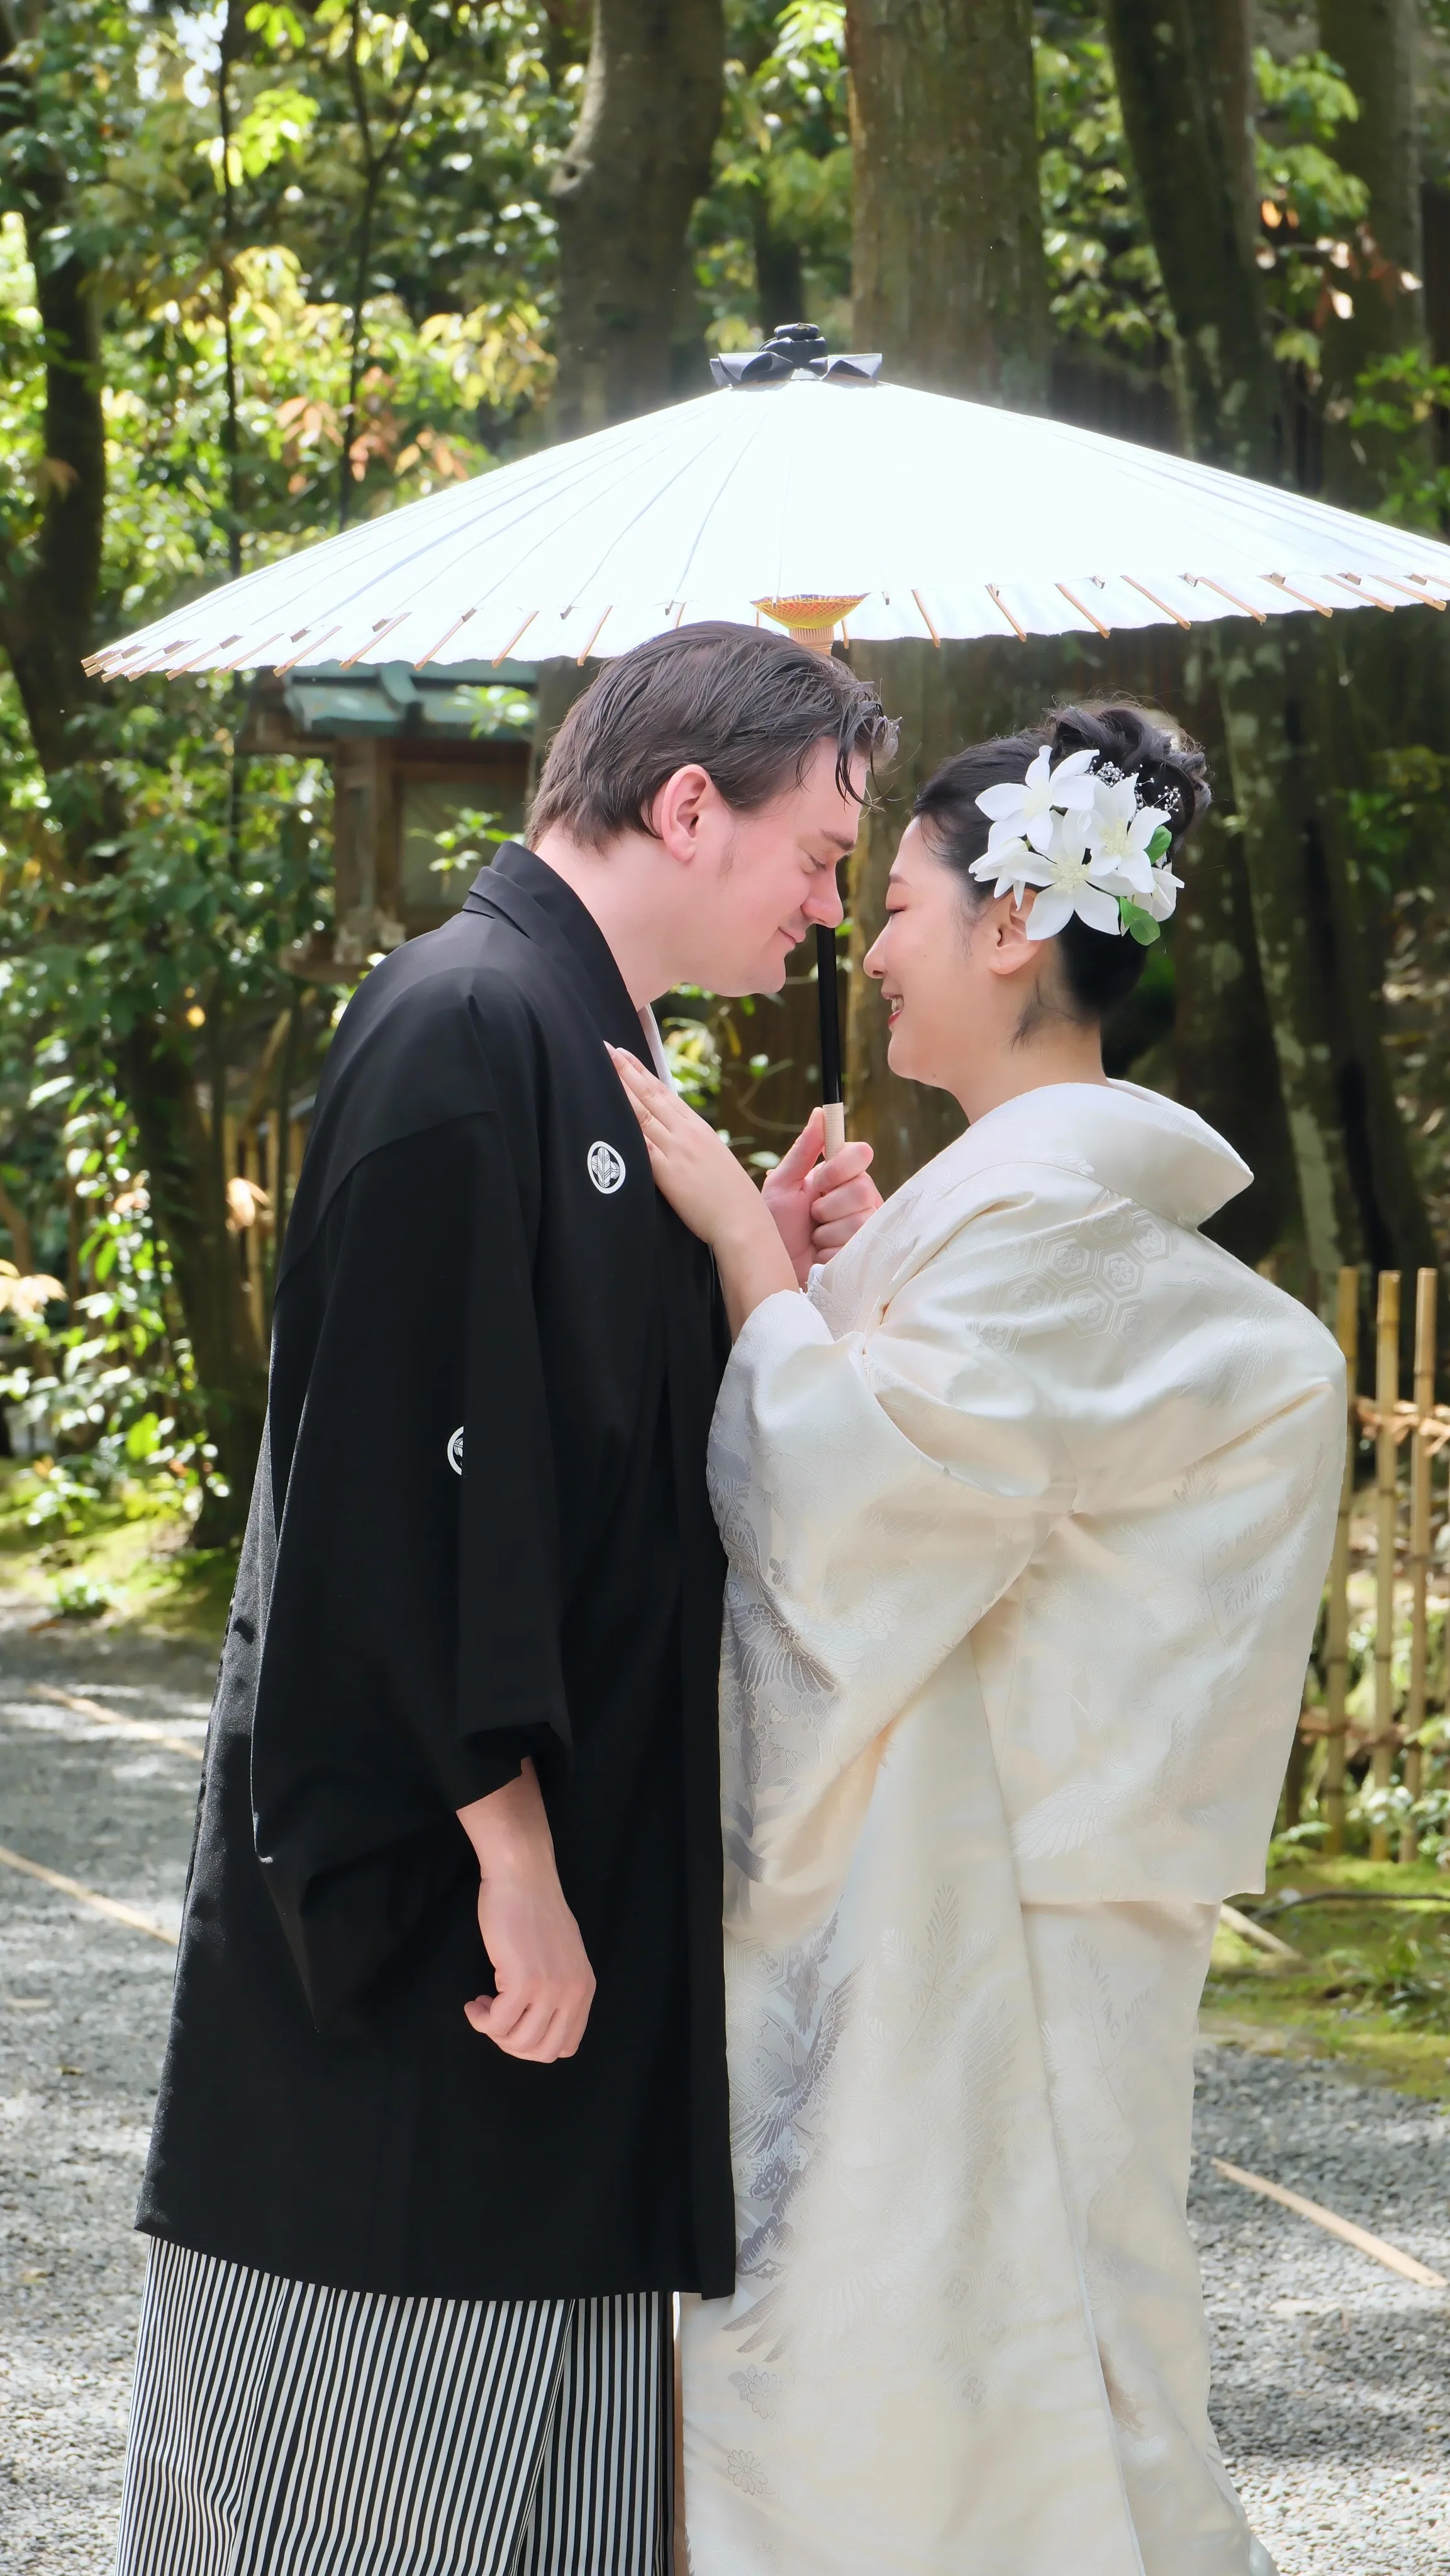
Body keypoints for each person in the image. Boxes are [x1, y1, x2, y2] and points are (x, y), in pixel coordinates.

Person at [113, 625, 889, 2576]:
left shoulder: (584, 1045)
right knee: (367, 2481)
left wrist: (747, 1268)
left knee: (550, 2490)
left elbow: (589, 1443)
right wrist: (511, 1848)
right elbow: (393, 1490)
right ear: (690, 806)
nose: (829, 909)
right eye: (820, 853)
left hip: (563, 1907)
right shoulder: (468, 1023)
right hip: (450, 1906)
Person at [611, 701, 1344, 2576]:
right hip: (996, 1879)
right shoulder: (1021, 1200)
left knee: (1010, 2359)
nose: (869, 941)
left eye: (901, 901)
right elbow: (920, 1440)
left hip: (997, 1902)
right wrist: (833, 1275)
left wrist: (757, 1264)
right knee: (1001, 2357)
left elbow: (853, 1508)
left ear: (1013, 927)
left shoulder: (1043, 1213)